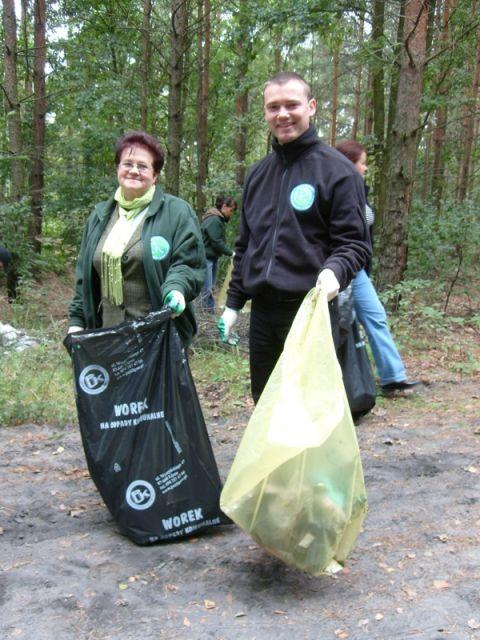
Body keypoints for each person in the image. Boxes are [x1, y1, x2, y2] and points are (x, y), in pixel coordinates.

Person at [218, 72, 371, 403]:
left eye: (292, 105)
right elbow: (246, 246)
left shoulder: (339, 172)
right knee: (267, 406)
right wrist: (233, 304)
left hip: (310, 311)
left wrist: (334, 272)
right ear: (265, 112)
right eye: (273, 107)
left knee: (309, 411)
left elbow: (354, 244)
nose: (282, 114)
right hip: (262, 316)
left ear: (311, 106)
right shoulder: (257, 175)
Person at [68, 131, 205, 346]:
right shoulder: (99, 216)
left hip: (158, 336)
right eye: (127, 164)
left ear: (155, 175)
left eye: (142, 166)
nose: (134, 171)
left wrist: (177, 289)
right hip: (108, 336)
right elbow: (83, 278)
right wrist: (76, 323)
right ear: (117, 168)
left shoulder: (176, 212)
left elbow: (188, 263)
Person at [335, 139, 419, 393]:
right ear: (349, 164)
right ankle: (339, 384)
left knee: (376, 317)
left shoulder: (360, 190)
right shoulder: (335, 191)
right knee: (337, 327)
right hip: (338, 269)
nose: (366, 168)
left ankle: (392, 376)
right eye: (363, 163)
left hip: (358, 270)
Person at [199, 196, 237, 311]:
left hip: (211, 257)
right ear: (224, 206)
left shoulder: (218, 219)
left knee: (210, 286)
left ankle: (207, 309)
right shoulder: (214, 220)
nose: (231, 214)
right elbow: (216, 242)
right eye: (231, 210)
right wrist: (231, 253)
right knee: (207, 287)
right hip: (206, 258)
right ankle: (207, 311)